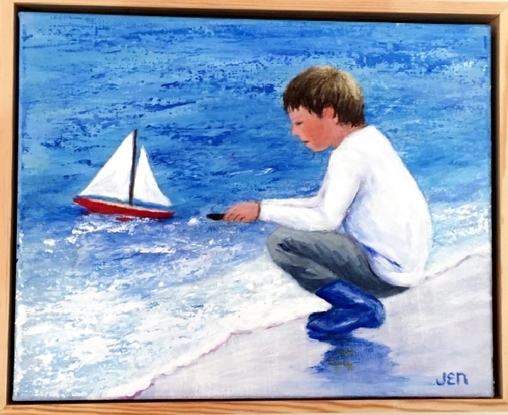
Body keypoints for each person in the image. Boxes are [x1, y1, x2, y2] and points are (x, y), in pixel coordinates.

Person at [224, 66, 432, 339]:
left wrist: (263, 212)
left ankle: (359, 306)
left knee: (281, 242)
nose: (294, 133)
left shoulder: (349, 155)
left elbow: (326, 219)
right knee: (297, 234)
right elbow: (321, 202)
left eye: (299, 122)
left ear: (329, 113)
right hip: (405, 267)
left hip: (384, 272)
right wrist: (261, 206)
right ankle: (356, 303)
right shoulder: (369, 141)